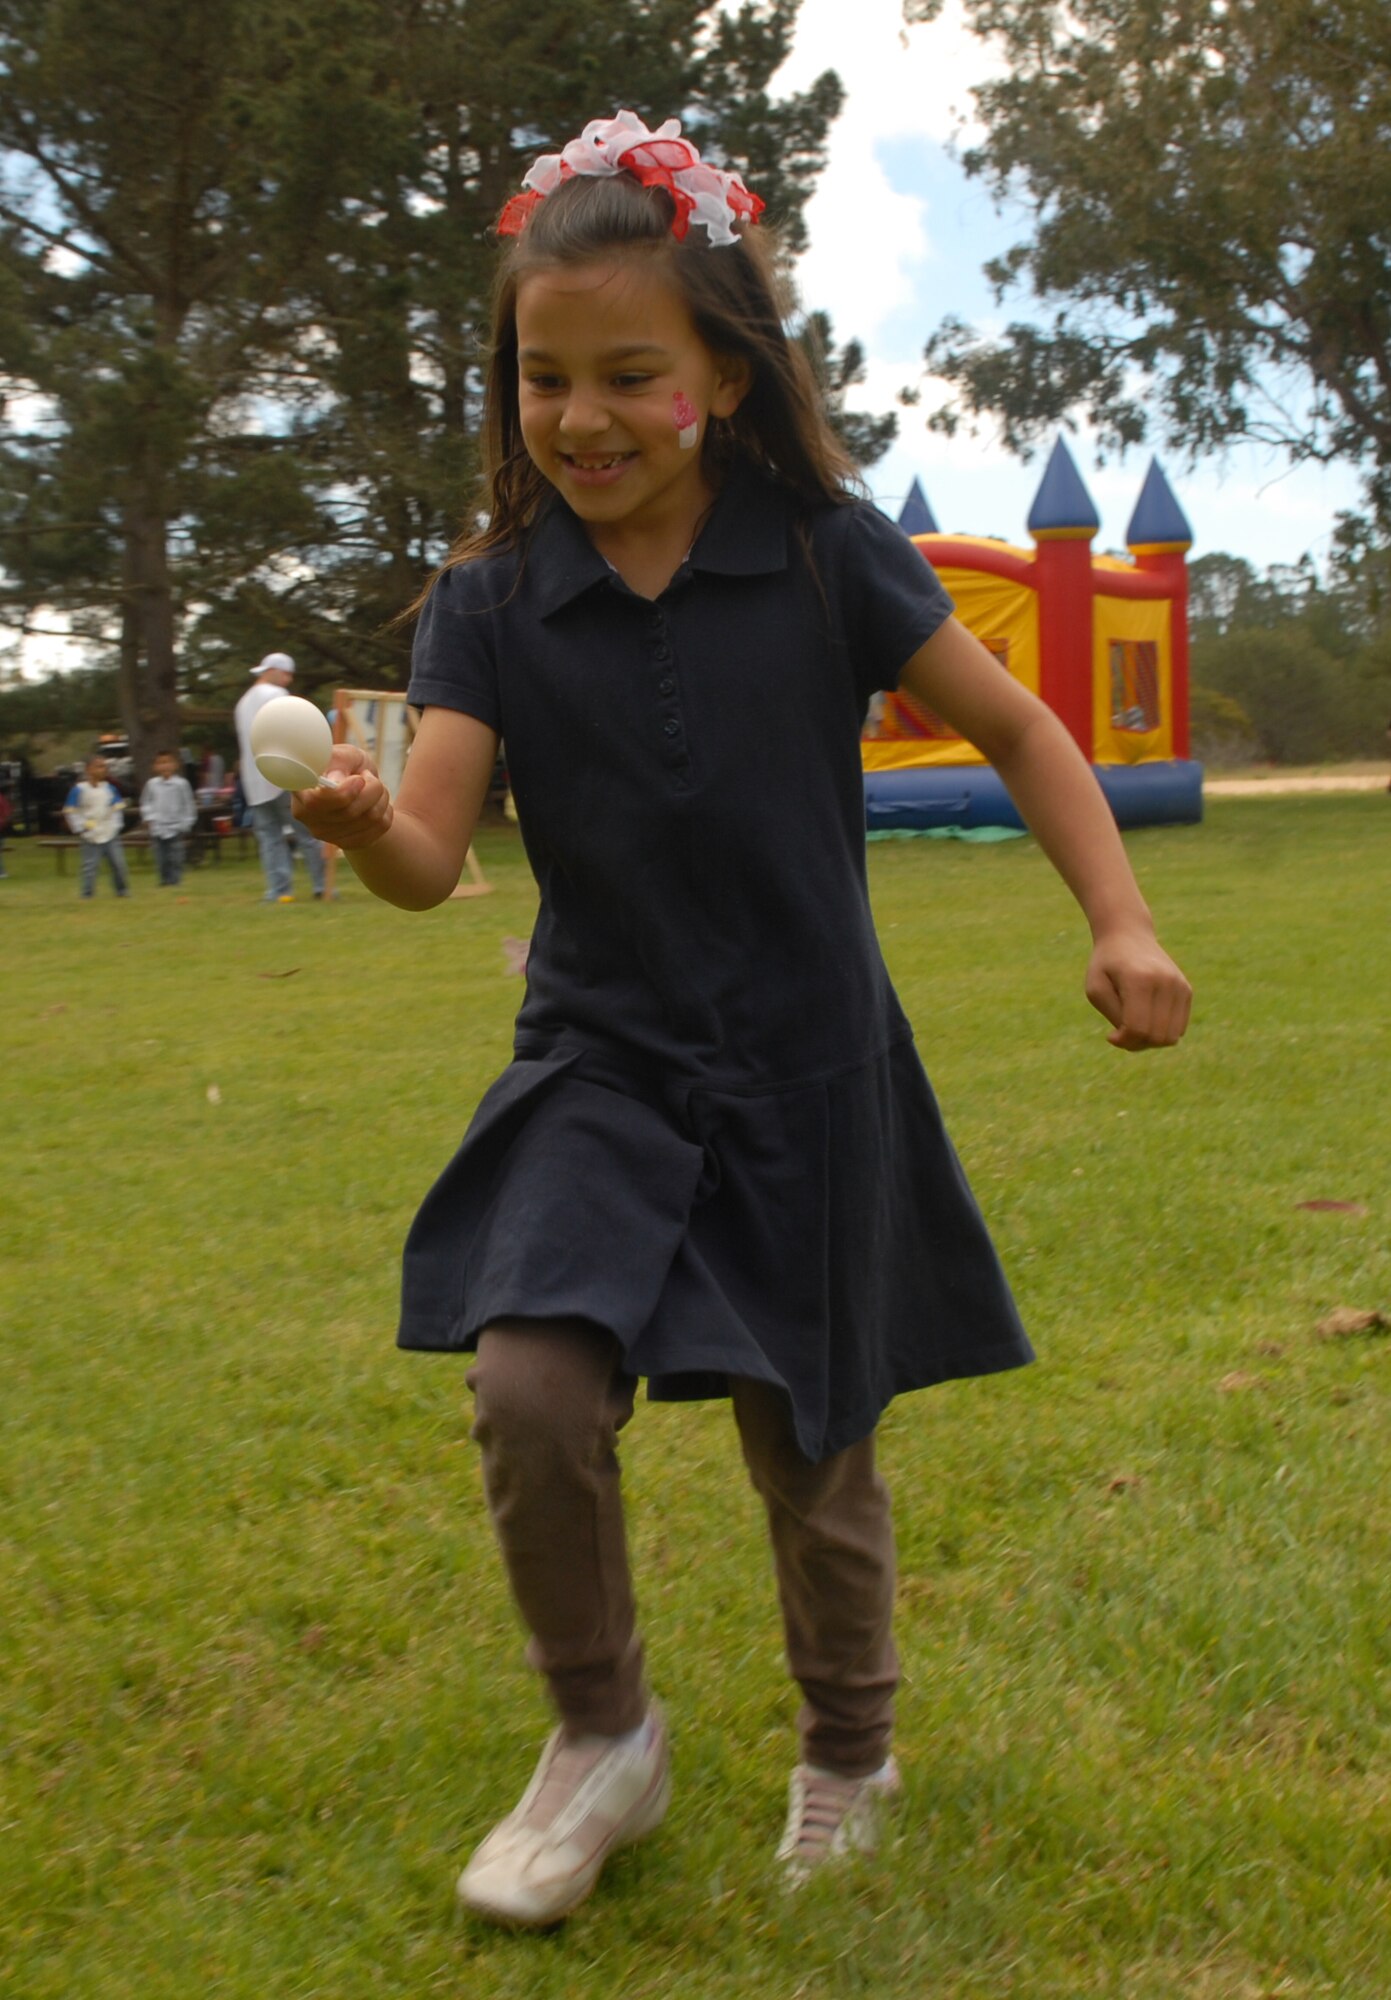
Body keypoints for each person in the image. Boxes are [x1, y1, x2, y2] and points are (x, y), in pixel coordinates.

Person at [295, 111, 1192, 1928]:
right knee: (531, 1385)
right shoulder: (491, 605)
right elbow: (436, 857)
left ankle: (847, 1751)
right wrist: (366, 824)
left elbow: (1022, 728)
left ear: (725, 369)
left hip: (808, 1069)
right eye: (545, 379)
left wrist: (1120, 914)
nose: (584, 417)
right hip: (602, 1070)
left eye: (633, 372)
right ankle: (599, 1739)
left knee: (813, 1440)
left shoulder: (820, 555)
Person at [233, 652, 326, 902]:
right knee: (308, 833)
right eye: (286, 674)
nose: (288, 679)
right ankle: (322, 885)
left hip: (254, 782)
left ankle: (278, 890)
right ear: (272, 670)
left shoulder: (242, 703)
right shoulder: (277, 697)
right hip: (283, 775)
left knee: (270, 838)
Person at [64, 754, 131, 898]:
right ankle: (87, 893)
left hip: (109, 832)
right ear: (89, 769)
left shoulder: (110, 789)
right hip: (90, 833)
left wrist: (115, 826)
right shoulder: (79, 790)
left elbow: (116, 810)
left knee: (118, 864)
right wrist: (81, 827)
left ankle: (122, 890)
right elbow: (71, 812)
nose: (103, 769)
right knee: (90, 866)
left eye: (104, 766)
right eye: (99, 766)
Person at [139, 749, 197, 885]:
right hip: (158, 826)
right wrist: (149, 818)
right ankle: (164, 880)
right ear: (155, 767)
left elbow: (188, 804)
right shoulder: (152, 784)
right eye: (161, 763)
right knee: (161, 858)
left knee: (176, 856)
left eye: (168, 762)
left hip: (176, 825)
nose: (165, 766)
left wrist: (187, 822)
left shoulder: (181, 784)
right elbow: (146, 802)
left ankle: (175, 880)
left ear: (175, 765)